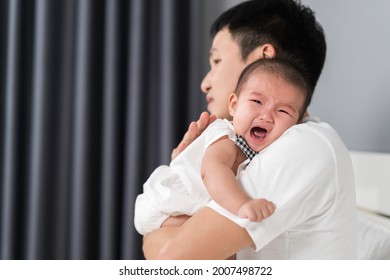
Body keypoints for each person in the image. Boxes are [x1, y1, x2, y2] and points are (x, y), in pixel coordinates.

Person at [143, 0, 357, 259]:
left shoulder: (304, 146)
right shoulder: (260, 149)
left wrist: (158, 218)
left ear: (263, 56)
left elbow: (170, 261)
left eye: (217, 60)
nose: (205, 83)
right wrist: (186, 175)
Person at [135, 58, 312, 235]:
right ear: (234, 106)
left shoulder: (274, 153)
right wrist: (242, 204)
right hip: (164, 204)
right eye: (257, 102)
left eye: (283, 111)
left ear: (297, 124)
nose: (266, 116)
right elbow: (213, 170)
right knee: (199, 237)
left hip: (185, 206)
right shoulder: (226, 135)